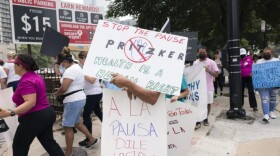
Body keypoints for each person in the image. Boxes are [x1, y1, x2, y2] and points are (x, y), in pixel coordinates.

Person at [0, 54, 64, 156]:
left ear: (21, 66)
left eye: (15, 64)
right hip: (46, 113)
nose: (13, 67)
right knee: (49, 143)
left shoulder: (27, 81)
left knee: (18, 147)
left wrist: (10, 112)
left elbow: (30, 102)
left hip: (34, 117)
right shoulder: (34, 76)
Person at [55, 47, 98, 156]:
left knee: (68, 126)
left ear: (65, 61)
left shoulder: (71, 70)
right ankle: (91, 138)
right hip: (78, 98)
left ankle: (69, 153)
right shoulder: (77, 67)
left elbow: (64, 88)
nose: (62, 66)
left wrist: (57, 93)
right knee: (77, 122)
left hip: (72, 100)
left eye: (62, 64)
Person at [77, 51, 103, 146]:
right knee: (98, 113)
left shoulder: (91, 67)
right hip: (92, 94)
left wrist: (83, 72)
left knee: (86, 115)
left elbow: (92, 80)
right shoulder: (86, 67)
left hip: (93, 94)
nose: (79, 61)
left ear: (84, 58)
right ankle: (109, 130)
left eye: (80, 59)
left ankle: (89, 139)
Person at [193, 47, 219, 126]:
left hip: (208, 87)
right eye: (200, 52)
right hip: (198, 87)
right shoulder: (195, 63)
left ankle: (205, 118)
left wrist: (209, 71)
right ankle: (198, 119)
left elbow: (216, 74)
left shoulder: (211, 62)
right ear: (198, 54)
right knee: (198, 103)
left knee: (207, 103)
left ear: (206, 53)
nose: (202, 54)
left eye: (203, 52)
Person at [255, 47, 279, 122]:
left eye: (268, 53)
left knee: (273, 98)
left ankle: (271, 111)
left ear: (271, 53)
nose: (266, 54)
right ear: (262, 54)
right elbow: (256, 73)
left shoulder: (276, 61)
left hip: (274, 84)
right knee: (265, 99)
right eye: (264, 53)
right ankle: (266, 114)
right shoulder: (259, 62)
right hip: (263, 85)